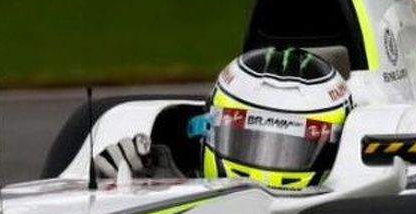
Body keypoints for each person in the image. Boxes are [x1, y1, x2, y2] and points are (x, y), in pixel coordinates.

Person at [93, 47, 352, 189]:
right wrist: (121, 189)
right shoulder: (158, 182)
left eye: (291, 149)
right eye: (244, 141)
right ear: (205, 130)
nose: (263, 179)